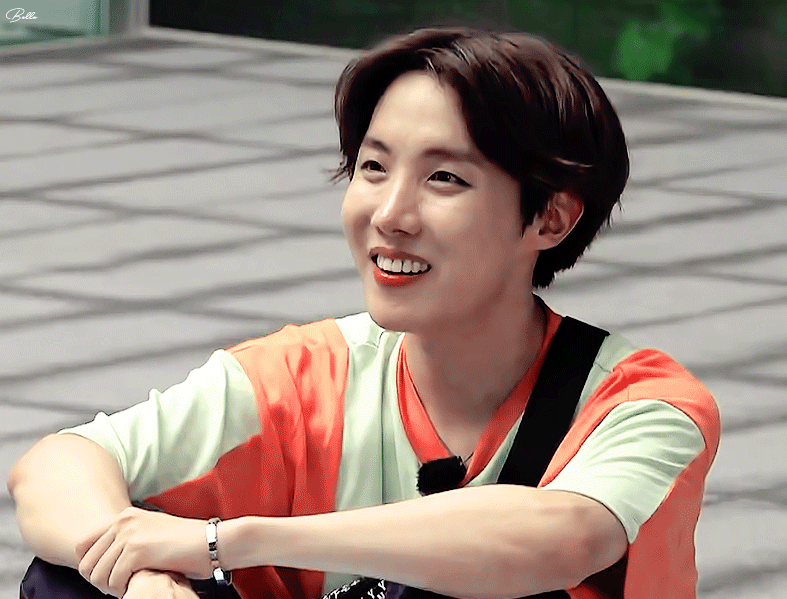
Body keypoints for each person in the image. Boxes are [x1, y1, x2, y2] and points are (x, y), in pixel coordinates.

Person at [8, 27, 720, 599]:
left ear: (551, 218)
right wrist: (140, 576)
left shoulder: (642, 404)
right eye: (374, 168)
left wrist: (231, 540)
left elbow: (563, 535)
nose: (389, 214)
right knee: (71, 579)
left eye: (444, 177)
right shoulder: (301, 376)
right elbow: (57, 465)